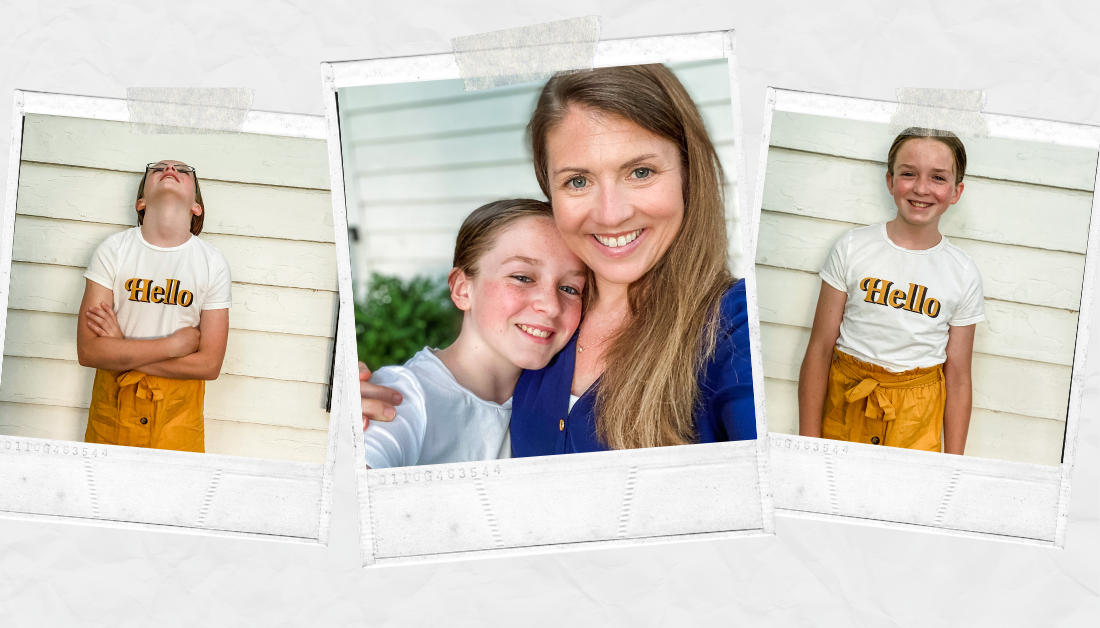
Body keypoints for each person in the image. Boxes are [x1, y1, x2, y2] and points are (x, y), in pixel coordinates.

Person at [361, 64, 757, 455]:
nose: (610, 214)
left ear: (689, 173)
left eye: (640, 171)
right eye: (578, 181)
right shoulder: (550, 329)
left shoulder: (732, 326)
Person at [797, 128, 984, 454]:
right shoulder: (853, 247)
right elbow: (819, 347)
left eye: (938, 178)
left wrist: (955, 465)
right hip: (847, 406)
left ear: (956, 191)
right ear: (890, 180)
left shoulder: (963, 272)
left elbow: (958, 377)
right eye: (909, 174)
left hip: (915, 421)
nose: (921, 188)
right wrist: (808, 442)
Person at [362, 199, 585, 469]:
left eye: (570, 288)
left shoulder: (558, 396)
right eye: (523, 277)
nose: (551, 306)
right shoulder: (403, 397)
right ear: (462, 289)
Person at [76, 160, 232, 452]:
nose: (170, 169)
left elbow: (210, 365)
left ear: (196, 207)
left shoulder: (211, 263)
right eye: (158, 168)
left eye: (183, 171)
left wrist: (120, 347)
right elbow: (89, 351)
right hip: (114, 416)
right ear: (141, 202)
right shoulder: (114, 250)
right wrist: (173, 346)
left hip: (176, 422)